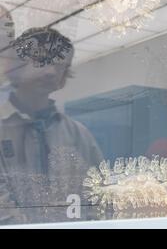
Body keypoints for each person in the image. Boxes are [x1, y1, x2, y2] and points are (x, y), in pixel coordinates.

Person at [0, 27, 103, 224]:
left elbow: (96, 198)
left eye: (59, 65)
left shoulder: (79, 135)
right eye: (41, 59)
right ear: (17, 65)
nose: (51, 71)